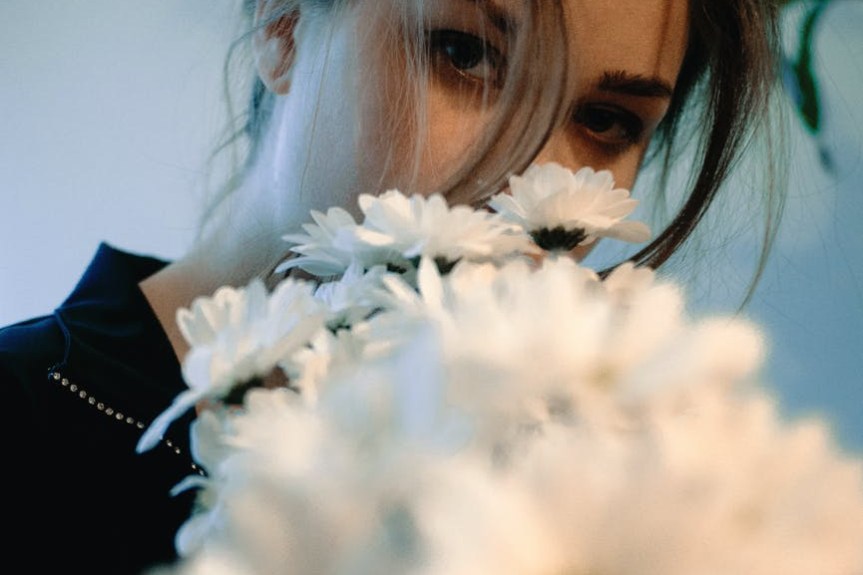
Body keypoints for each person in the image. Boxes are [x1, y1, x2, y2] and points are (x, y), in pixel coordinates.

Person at [0, 0, 782, 573]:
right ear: (284, 24)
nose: (529, 178)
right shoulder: (22, 416)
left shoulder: (566, 509)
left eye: (607, 120)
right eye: (465, 55)